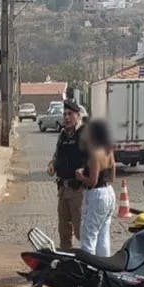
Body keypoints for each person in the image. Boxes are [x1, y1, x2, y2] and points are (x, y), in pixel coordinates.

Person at [48, 100, 86, 250]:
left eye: (70, 114)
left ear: (77, 115)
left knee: (80, 230)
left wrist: (84, 170)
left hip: (78, 190)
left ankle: (87, 260)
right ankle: (66, 260)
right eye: (64, 114)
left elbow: (92, 159)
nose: (67, 117)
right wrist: (52, 165)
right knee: (64, 231)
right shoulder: (63, 135)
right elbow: (57, 157)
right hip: (62, 189)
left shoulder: (84, 135)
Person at [76, 119, 117, 257]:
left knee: (89, 235)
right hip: (109, 192)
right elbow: (112, 175)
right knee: (103, 235)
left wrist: (81, 176)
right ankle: (104, 266)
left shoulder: (94, 154)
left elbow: (92, 181)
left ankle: (89, 269)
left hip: (97, 194)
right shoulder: (108, 150)